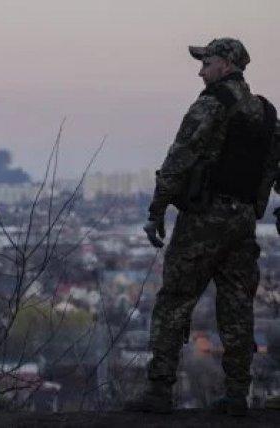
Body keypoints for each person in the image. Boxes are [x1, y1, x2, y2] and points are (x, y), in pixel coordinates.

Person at [126, 38, 279, 416]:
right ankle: (236, 394)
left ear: (226, 64)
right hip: (243, 221)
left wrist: (157, 209)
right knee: (237, 306)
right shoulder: (266, 112)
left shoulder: (211, 103)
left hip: (204, 220)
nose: (200, 70)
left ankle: (159, 389)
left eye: (206, 62)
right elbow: (275, 168)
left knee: (175, 299)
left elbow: (179, 157)